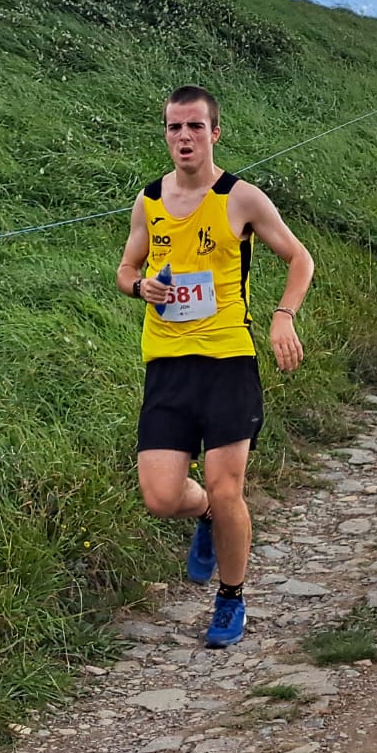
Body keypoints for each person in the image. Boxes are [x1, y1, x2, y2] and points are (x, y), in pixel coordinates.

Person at [117, 85, 315, 648]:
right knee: (160, 497)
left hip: (228, 359)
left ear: (214, 133)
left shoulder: (241, 198)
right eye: (175, 127)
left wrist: (283, 317)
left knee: (229, 489)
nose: (184, 137)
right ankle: (202, 515)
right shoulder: (149, 201)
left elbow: (299, 257)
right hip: (167, 365)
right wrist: (140, 286)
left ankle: (231, 599)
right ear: (166, 134)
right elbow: (126, 268)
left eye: (195, 127)